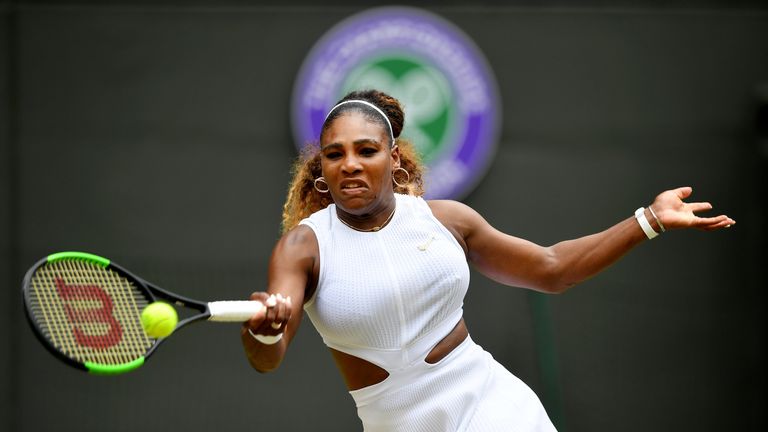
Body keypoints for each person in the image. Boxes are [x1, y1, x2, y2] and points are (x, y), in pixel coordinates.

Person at [239, 89, 735, 431]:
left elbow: (553, 269)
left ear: (394, 159)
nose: (349, 162)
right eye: (334, 153)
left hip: (494, 409)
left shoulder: (448, 220)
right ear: (320, 169)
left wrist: (649, 218)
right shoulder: (303, 247)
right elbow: (268, 356)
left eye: (366, 149)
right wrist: (263, 329)